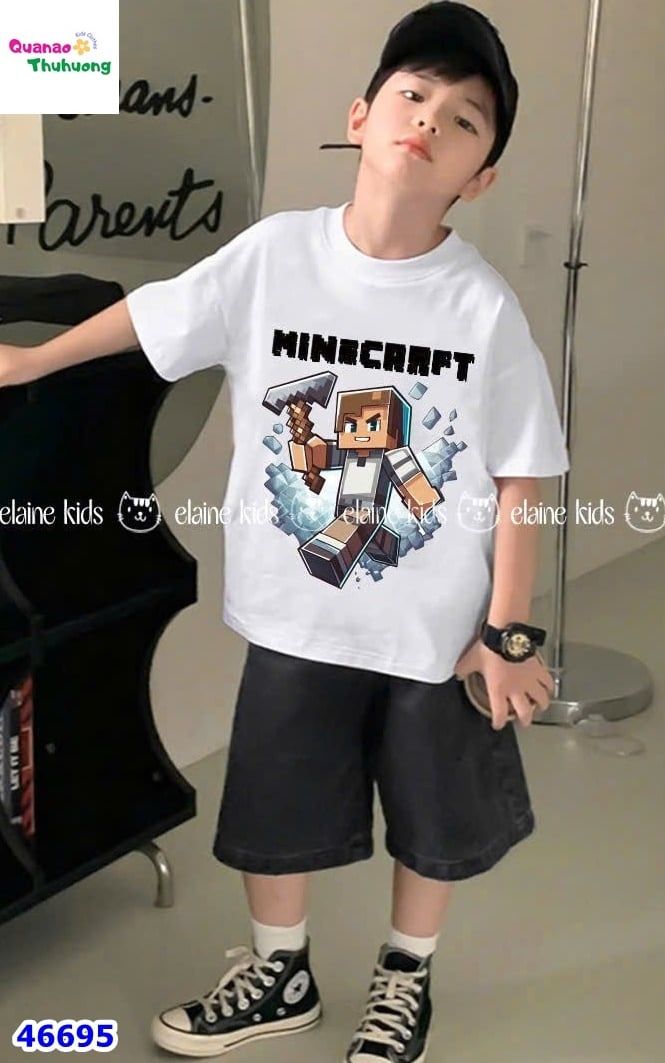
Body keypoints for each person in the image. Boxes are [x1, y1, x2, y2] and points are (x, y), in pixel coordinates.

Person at [0, 2, 569, 1059]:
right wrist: (34, 359)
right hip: (297, 614)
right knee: (274, 798)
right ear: (360, 117)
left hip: (435, 630)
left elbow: (522, 473)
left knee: (434, 814)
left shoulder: (481, 309)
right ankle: (280, 971)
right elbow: (158, 313)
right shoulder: (275, 256)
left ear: (481, 176)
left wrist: (508, 630)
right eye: (412, 94)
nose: (428, 120)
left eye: (464, 119)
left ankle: (405, 974)